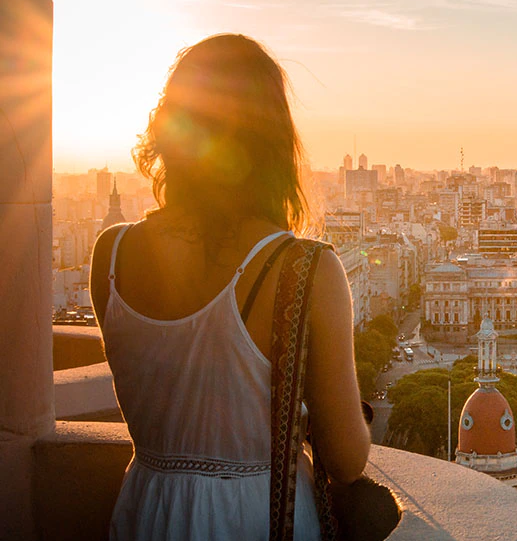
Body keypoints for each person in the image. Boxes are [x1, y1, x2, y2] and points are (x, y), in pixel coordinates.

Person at [89, 34, 370, 540]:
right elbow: (348, 461)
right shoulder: (304, 269)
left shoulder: (110, 254)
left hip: (147, 511)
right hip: (258, 517)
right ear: (273, 144)